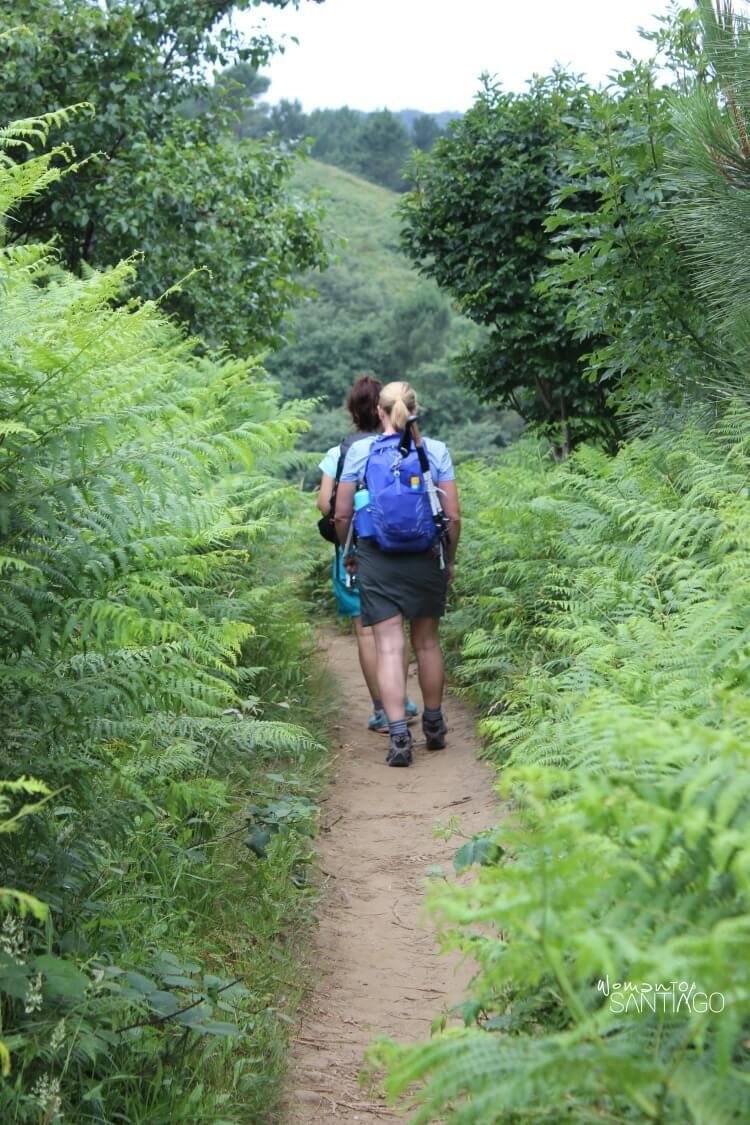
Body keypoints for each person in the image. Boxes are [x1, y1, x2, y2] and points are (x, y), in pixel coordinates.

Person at [334, 381, 461, 767]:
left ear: (379, 411)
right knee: (426, 643)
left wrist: (348, 551)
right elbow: (453, 516)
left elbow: (341, 514)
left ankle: (400, 735)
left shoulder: (360, 450)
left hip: (377, 556)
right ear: (415, 408)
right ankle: (435, 725)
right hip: (425, 555)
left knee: (389, 646)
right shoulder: (435, 451)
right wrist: (449, 559)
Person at [317, 375, 417, 733]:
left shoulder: (340, 452)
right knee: (395, 628)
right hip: (400, 548)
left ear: (354, 411)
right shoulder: (405, 444)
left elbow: (325, 505)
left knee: (366, 631)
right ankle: (401, 699)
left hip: (356, 550)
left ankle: (380, 708)